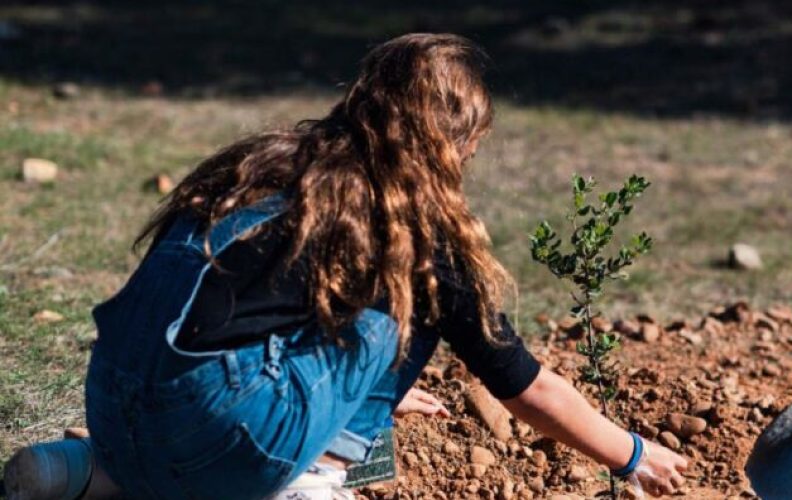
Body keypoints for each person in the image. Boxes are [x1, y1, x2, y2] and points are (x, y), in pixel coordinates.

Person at [2, 33, 688, 499]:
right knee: (414, 298)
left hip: (114, 403)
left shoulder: (263, 164)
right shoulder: (415, 225)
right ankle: (311, 482)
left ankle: (83, 473)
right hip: (217, 431)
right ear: (456, 138)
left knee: (180, 438)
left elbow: (236, 306)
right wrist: (631, 453)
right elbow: (523, 388)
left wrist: (357, 392)